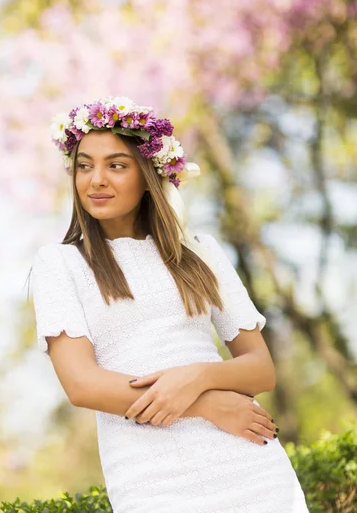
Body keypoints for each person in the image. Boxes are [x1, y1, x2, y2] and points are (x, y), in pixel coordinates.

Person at [30, 96, 310, 513]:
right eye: (84, 165)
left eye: (117, 165)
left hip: (249, 460)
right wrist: (207, 403)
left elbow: (259, 369)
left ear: (149, 176)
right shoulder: (60, 264)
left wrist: (197, 375)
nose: (96, 180)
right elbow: (82, 384)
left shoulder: (201, 252)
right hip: (151, 477)